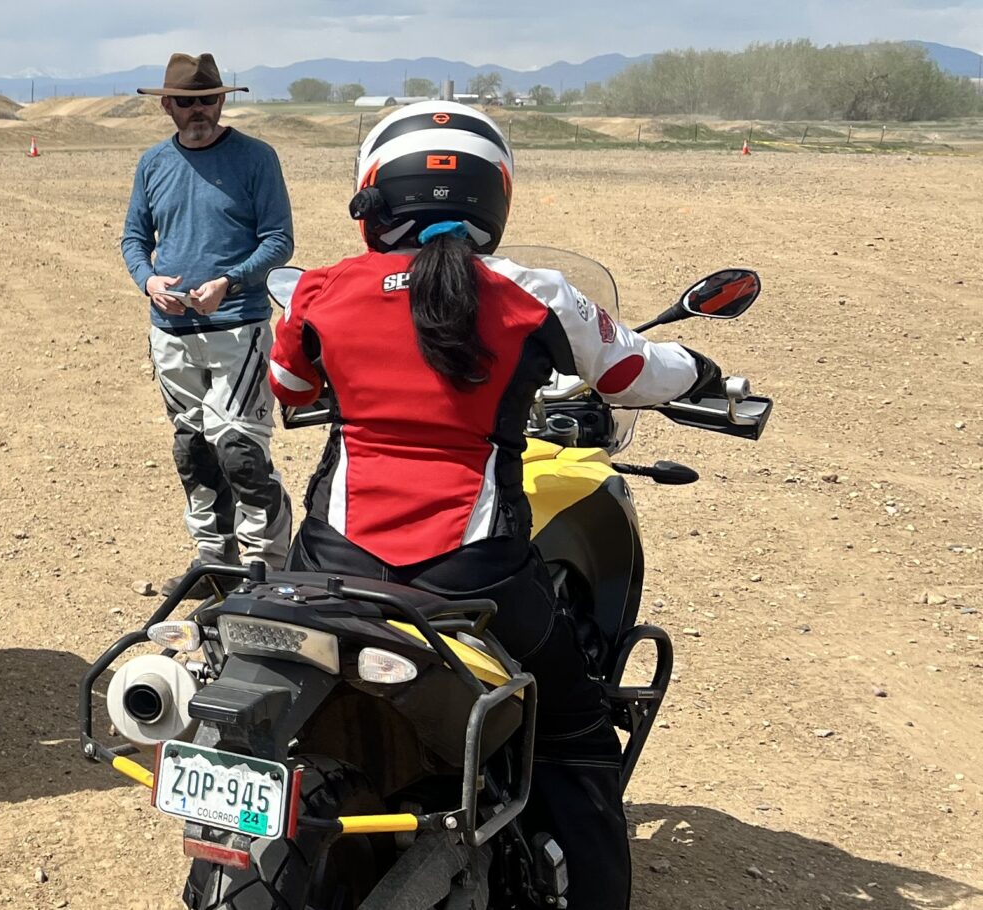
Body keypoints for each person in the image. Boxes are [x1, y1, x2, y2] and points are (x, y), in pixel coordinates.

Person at [267, 101, 732, 910]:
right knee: (578, 738)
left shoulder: (318, 290)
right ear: (494, 199)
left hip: (332, 567)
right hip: (471, 576)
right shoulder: (535, 294)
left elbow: (291, 388)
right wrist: (704, 369)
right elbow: (633, 375)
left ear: (372, 196)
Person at [120, 52, 295, 570]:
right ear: (167, 106)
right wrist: (148, 281)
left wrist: (230, 280)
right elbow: (133, 237)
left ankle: (266, 561)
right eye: (187, 102)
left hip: (237, 326)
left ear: (222, 101)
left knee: (239, 450)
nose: (199, 111)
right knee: (192, 449)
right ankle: (213, 554)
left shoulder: (256, 158)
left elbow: (279, 240)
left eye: (208, 100)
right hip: (171, 331)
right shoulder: (153, 163)